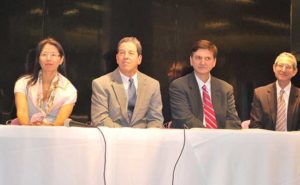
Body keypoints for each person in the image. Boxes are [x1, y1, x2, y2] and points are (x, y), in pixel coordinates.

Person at [91, 36, 164, 128]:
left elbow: (155, 120)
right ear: (117, 58)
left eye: (131, 53)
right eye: (122, 53)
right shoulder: (101, 84)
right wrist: (127, 136)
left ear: (139, 59)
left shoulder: (153, 85)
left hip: (144, 140)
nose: (126, 57)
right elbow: (100, 119)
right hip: (113, 139)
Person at [169, 39, 241, 129]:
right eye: (198, 58)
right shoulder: (179, 86)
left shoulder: (226, 88)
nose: (203, 62)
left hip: (222, 141)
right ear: (191, 60)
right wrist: (210, 136)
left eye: (207, 58)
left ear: (214, 62)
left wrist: (220, 138)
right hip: (192, 141)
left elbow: (234, 121)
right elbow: (183, 119)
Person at [14, 38, 77, 126]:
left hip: (54, 134)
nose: (48, 58)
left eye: (53, 55)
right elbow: (22, 113)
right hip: (26, 130)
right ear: (39, 59)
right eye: (44, 54)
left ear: (61, 60)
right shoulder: (23, 83)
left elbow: (60, 122)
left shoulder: (69, 90)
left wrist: (45, 129)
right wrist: (30, 128)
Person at [249, 52, 300, 131]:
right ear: (274, 68)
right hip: (267, 141)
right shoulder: (260, 94)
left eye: (288, 67)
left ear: (294, 71)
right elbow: (255, 125)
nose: (283, 70)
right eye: (280, 65)